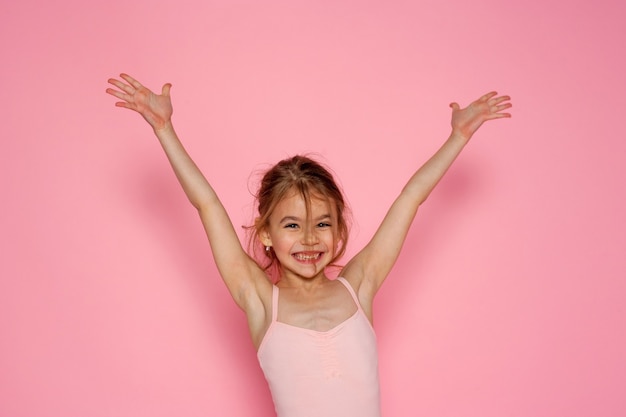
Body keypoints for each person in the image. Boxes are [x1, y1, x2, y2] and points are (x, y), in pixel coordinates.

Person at [106, 74, 511, 417]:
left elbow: (410, 198)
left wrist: (458, 137)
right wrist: (164, 129)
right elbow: (207, 204)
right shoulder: (262, 300)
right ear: (266, 234)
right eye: (292, 225)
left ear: (338, 232)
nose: (310, 239)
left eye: (321, 224)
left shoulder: (359, 285)